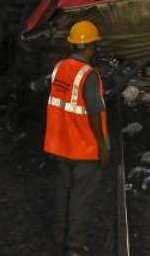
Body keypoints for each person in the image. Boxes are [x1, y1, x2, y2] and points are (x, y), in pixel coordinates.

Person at [44, 20, 109, 256]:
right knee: (80, 198)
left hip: (60, 146)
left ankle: (58, 240)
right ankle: (74, 247)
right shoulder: (89, 75)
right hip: (84, 148)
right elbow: (94, 113)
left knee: (63, 193)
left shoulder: (59, 68)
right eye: (94, 45)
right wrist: (102, 146)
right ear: (89, 46)